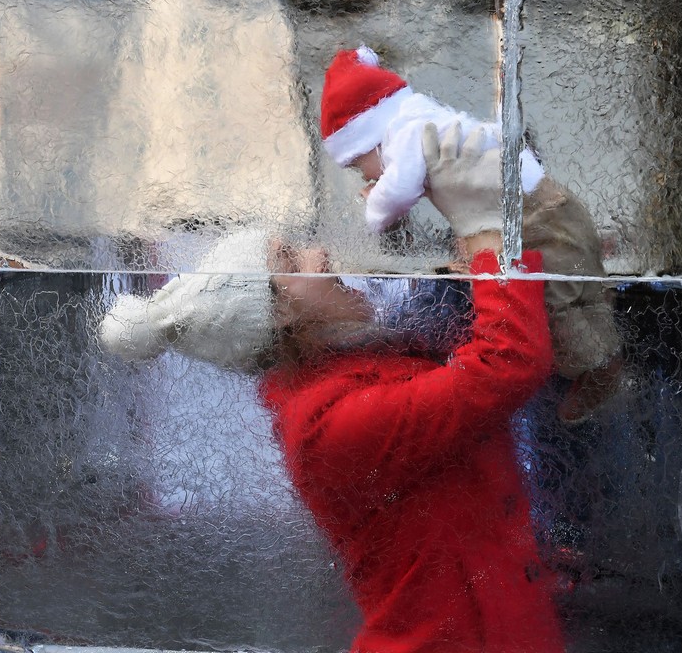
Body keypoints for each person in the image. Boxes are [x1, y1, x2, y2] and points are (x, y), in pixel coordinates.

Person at [99, 126, 565, 652]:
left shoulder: (361, 360)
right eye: (291, 263)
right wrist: (485, 230)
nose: (318, 254)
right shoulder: (329, 429)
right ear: (278, 319)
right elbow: (506, 365)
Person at [318, 46, 622, 423]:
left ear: (368, 136)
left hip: (536, 221)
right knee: (576, 289)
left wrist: (371, 211)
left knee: (555, 302)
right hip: (544, 212)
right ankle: (600, 356)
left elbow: (395, 194)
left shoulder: (407, 132)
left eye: (355, 163)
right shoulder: (422, 119)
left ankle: (600, 370)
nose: (362, 174)